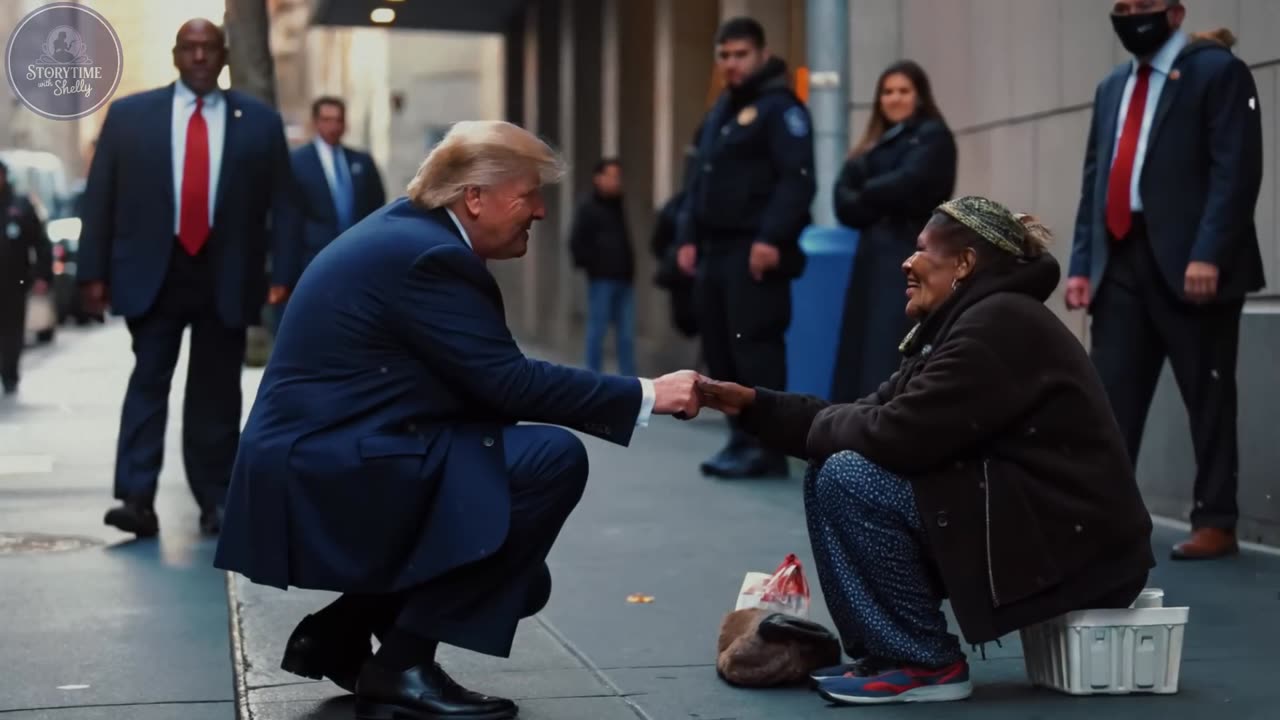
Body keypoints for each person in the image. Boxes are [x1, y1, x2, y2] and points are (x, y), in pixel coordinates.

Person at [213, 120, 701, 720]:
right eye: (529, 195)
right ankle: (400, 665)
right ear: (474, 196)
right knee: (551, 461)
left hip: (334, 451)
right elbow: (509, 383)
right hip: (329, 468)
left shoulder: (412, 234)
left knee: (518, 570)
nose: (541, 212)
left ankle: (342, 630)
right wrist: (649, 392)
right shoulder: (430, 257)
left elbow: (473, 386)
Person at [698, 197, 1155, 706]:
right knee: (836, 463)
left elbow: (896, 434)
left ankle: (925, 661)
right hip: (1037, 522)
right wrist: (755, 406)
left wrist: (817, 428)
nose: (906, 263)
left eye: (920, 250)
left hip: (1081, 548)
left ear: (964, 264)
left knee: (849, 474)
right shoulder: (964, 323)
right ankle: (889, 654)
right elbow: (869, 413)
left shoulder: (999, 324)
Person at [77, 18, 300, 538]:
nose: (200, 57)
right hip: (153, 273)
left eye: (209, 48)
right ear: (176, 56)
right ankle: (136, 498)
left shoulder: (259, 122)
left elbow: (285, 205)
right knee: (148, 382)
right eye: (190, 48)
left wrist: (283, 271)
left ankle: (217, 500)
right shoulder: (132, 116)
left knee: (217, 392)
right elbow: (100, 198)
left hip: (227, 276)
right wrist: (92, 271)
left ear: (223, 56)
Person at [1066, 1, 1264, 560]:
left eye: (1143, 6)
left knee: (1207, 395)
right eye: (1122, 7)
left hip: (1192, 265)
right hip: (1122, 261)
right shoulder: (1111, 88)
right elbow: (1095, 180)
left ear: (1175, 13)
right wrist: (1083, 264)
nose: (1132, 16)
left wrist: (1210, 253)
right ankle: (1105, 519)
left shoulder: (1217, 71)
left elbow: (1236, 168)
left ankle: (1216, 520)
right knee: (1110, 400)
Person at [675, 16, 816, 479]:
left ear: (760, 54)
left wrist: (770, 238)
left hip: (753, 251)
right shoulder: (722, 111)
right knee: (721, 350)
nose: (732, 64)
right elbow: (698, 181)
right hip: (716, 250)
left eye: (740, 55)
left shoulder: (781, 109)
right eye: (725, 55)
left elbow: (796, 182)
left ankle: (767, 448)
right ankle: (738, 441)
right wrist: (688, 236)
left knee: (754, 350)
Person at [830, 60, 956, 403]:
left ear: (919, 96)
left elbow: (911, 185)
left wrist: (867, 192)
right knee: (862, 347)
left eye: (903, 91)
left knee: (889, 345)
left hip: (909, 253)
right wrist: (878, 195)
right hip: (870, 256)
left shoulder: (933, 136)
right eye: (887, 92)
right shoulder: (873, 144)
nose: (894, 98)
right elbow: (842, 201)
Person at [289, 96, 386, 273]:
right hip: (315, 258)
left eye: (338, 120)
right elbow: (290, 218)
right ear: (316, 123)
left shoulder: (361, 162)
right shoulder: (297, 162)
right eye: (327, 120)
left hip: (359, 256)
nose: (333, 126)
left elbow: (377, 207)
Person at [570, 157, 636, 375]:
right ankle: (593, 378)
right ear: (598, 178)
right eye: (611, 176)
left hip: (624, 279)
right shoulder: (588, 207)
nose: (616, 181)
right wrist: (594, 265)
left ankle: (630, 384)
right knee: (597, 332)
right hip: (602, 279)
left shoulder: (619, 205)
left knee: (626, 335)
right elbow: (576, 242)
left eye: (618, 177)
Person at [0, 159, 53, 395]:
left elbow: (41, 243)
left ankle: (9, 373)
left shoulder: (20, 206)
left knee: (12, 331)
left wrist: (43, 275)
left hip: (14, 282)